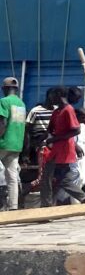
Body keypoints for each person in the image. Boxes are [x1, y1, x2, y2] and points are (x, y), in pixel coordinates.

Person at [46, 86, 85, 206]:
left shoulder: (68, 110)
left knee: (50, 178)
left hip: (63, 151)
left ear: (58, 94)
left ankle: (46, 206)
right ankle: (84, 199)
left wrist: (55, 138)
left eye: (52, 95)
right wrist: (44, 139)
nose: (49, 98)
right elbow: (50, 129)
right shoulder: (57, 112)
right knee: (61, 179)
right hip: (56, 150)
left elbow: (75, 131)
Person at [26, 91, 57, 207]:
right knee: (43, 178)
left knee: (51, 177)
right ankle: (22, 194)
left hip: (54, 148)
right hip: (43, 148)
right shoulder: (35, 111)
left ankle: (48, 203)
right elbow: (27, 131)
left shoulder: (57, 111)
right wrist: (26, 152)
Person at [0, 77, 26, 210]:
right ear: (16, 89)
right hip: (16, 144)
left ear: (4, 88)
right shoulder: (21, 104)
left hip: (3, 143)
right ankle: (13, 207)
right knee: (12, 176)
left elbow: (2, 123)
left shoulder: (4, 101)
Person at [66, 87, 85, 191]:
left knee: (83, 178)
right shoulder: (70, 125)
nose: (83, 120)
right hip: (72, 156)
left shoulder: (82, 127)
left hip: (81, 157)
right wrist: (75, 147)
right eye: (82, 117)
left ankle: (70, 199)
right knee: (76, 177)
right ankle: (72, 201)